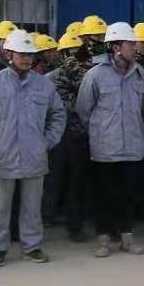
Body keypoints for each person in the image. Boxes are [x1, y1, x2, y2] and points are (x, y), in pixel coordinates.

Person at [0, 30, 66, 267]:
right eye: (22, 54)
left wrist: (47, 141)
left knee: (32, 205)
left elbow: (58, 114)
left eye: (30, 54)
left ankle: (32, 246)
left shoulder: (43, 85)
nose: (26, 59)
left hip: (34, 155)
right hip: (2, 155)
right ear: (9, 54)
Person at [76, 22, 144, 257]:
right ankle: (104, 240)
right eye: (130, 44)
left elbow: (143, 107)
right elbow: (84, 109)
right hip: (105, 147)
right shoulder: (95, 75)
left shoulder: (140, 74)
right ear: (116, 47)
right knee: (104, 195)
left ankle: (127, 239)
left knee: (128, 195)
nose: (135, 48)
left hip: (133, 146)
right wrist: (101, 131)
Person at [48, 32, 93, 243]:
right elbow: (65, 100)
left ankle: (84, 220)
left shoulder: (96, 68)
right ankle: (71, 223)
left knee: (84, 182)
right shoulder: (62, 72)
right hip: (70, 133)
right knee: (71, 180)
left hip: (92, 134)